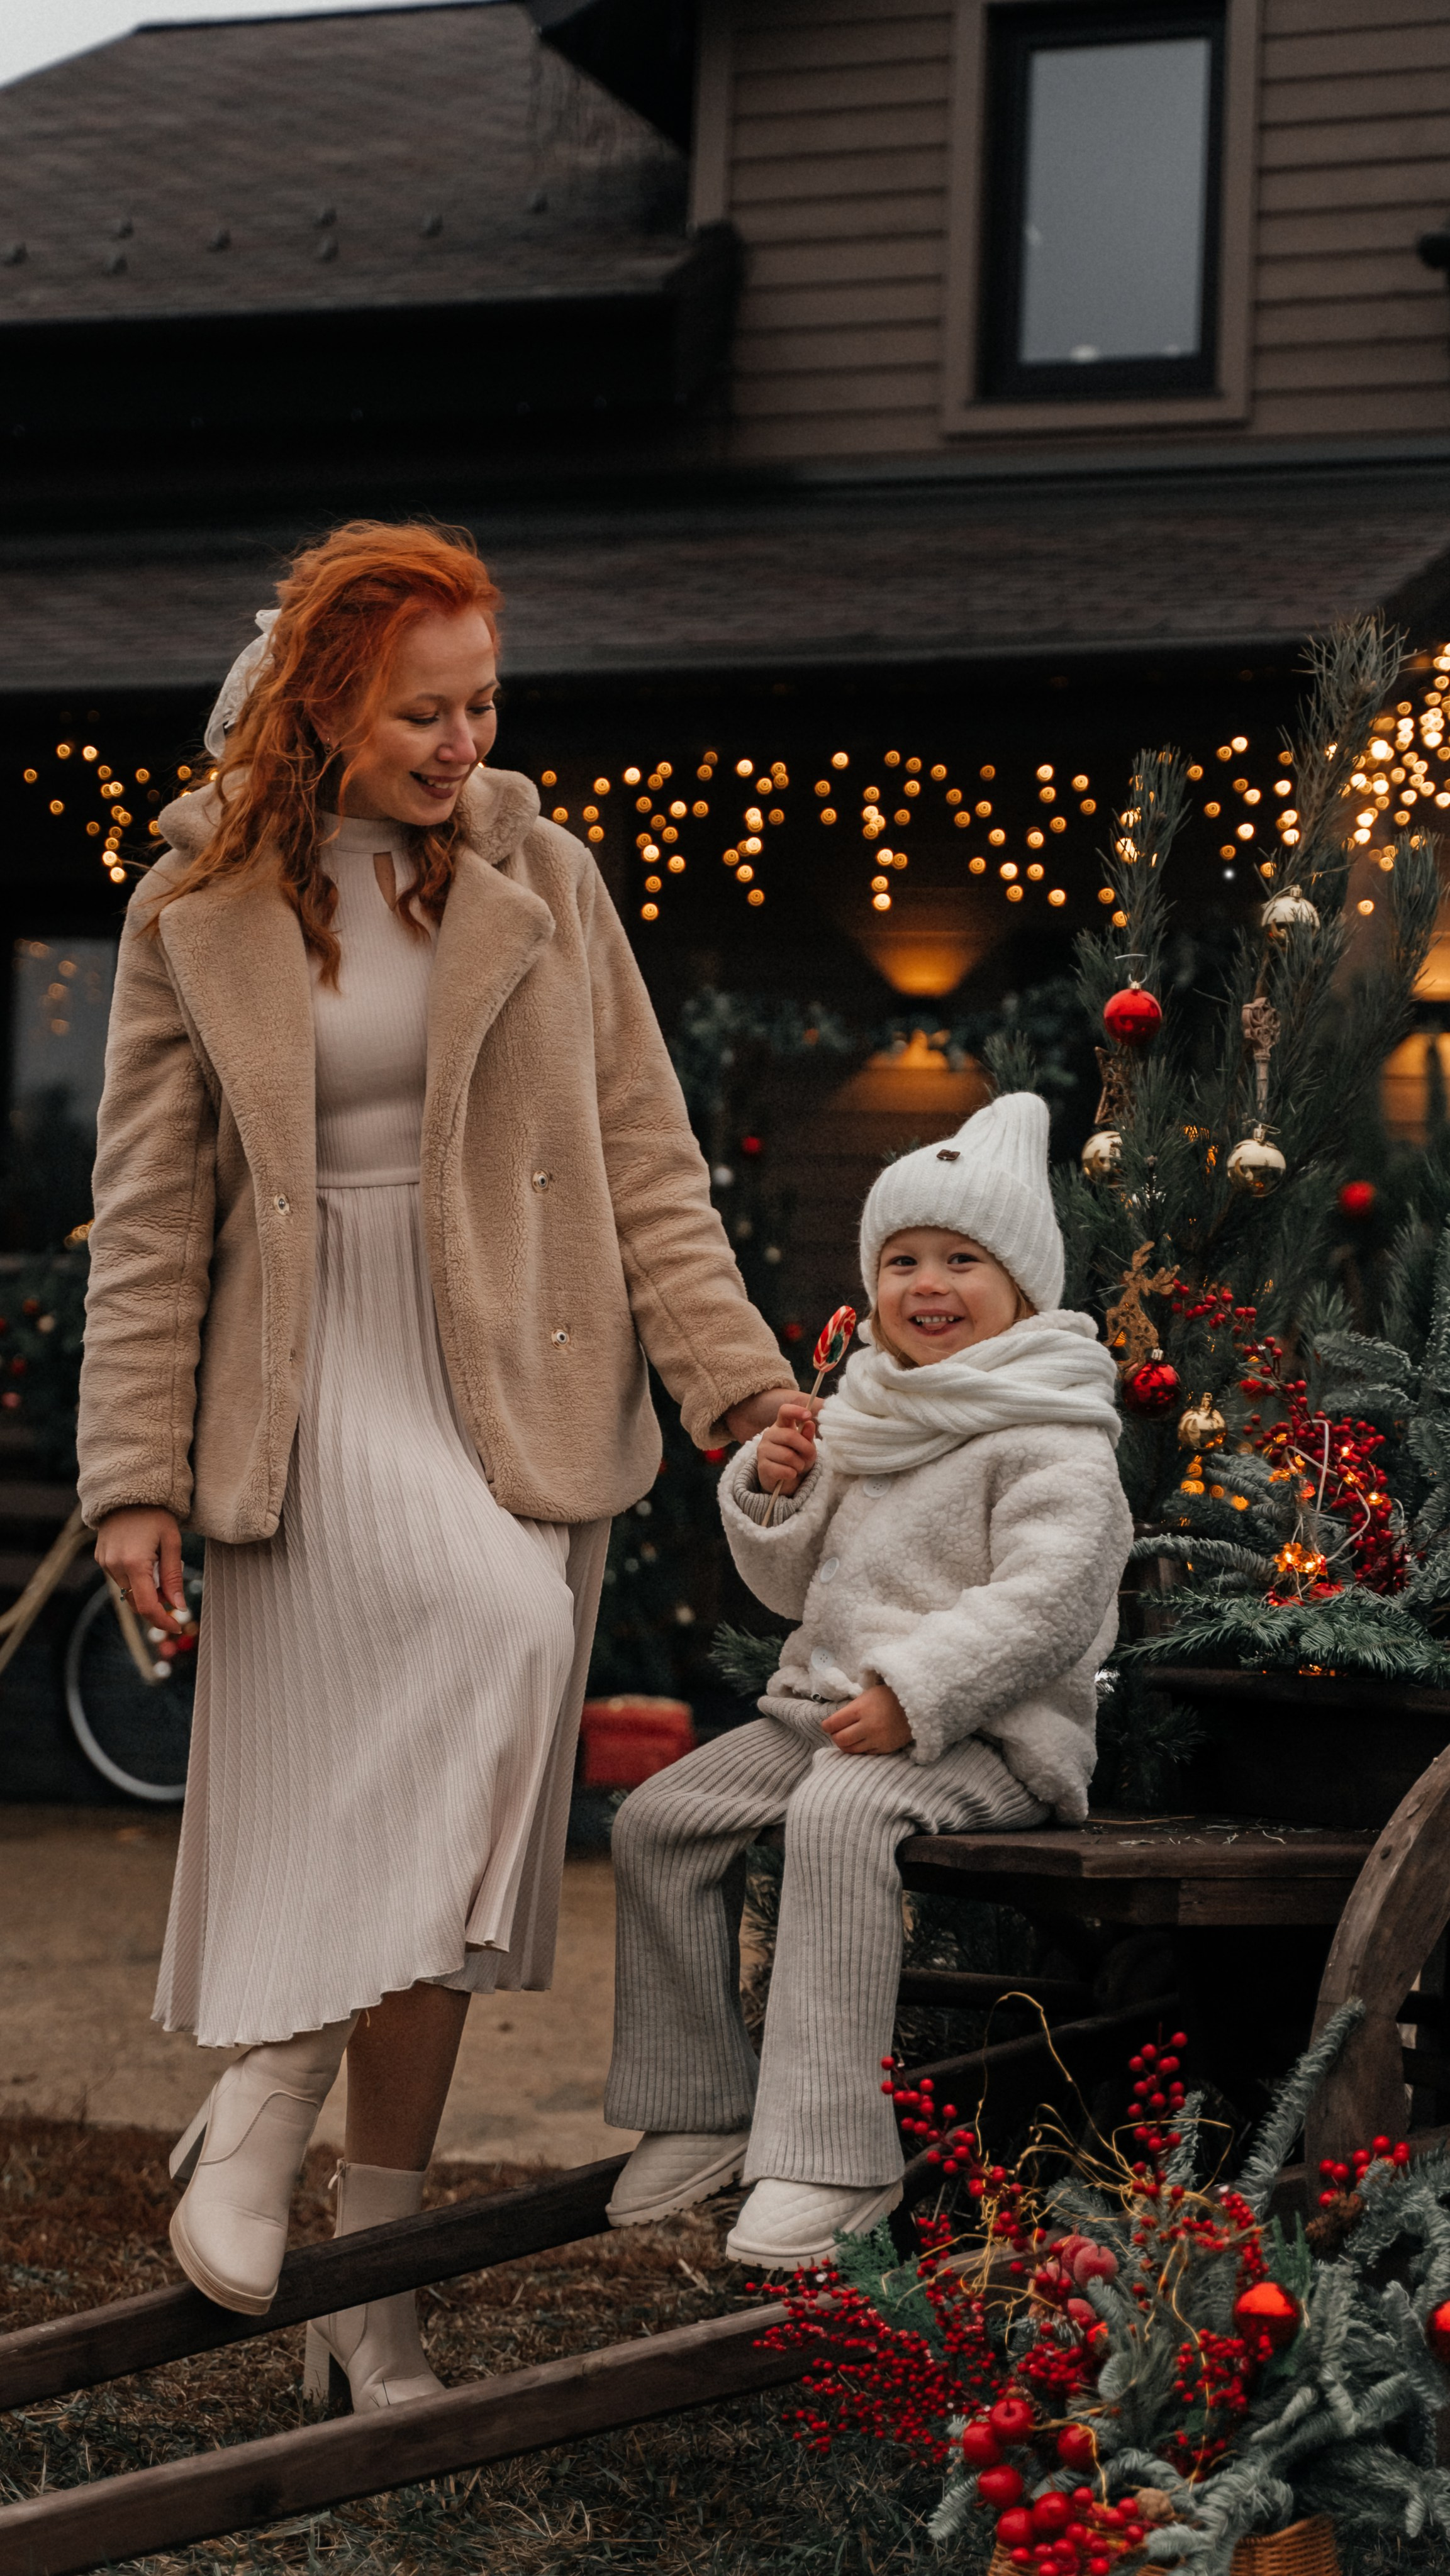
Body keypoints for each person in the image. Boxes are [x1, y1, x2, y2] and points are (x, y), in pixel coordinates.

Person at [75, 519, 793, 2408]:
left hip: (511, 1379)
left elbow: (647, 1153)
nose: (464, 739)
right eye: (424, 709)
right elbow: (150, 1216)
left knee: (450, 1885)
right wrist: (131, 1475)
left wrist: (735, 1386)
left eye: (485, 701)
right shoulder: (195, 908)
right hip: (307, 1397)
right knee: (477, 1661)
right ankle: (264, 2101)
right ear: (323, 702)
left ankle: (364, 2284)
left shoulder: (541, 878)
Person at [602, 1091, 1132, 2270]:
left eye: (959, 1259)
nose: (923, 1283)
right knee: (658, 1821)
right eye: (899, 1259)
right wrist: (778, 1487)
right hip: (833, 1713)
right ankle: (698, 2104)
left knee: (839, 1819)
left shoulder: (1054, 1433)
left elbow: (1048, 1607)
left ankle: (834, 2156)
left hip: (986, 1734)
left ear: (1022, 1289)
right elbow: (792, 1590)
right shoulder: (870, 1411)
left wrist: (918, 1690)